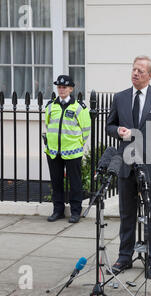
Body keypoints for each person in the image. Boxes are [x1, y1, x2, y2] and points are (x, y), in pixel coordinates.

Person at [106, 55, 151, 279]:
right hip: (126, 163)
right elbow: (109, 125)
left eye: (140, 71)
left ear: (150, 75)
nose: (135, 73)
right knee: (126, 212)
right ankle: (124, 256)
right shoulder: (120, 98)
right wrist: (118, 131)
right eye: (134, 69)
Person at [44, 75, 91, 224]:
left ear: (71, 89)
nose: (61, 90)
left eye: (64, 87)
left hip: (72, 151)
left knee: (75, 183)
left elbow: (86, 129)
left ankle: (75, 212)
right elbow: (48, 125)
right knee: (56, 182)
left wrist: (78, 144)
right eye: (59, 87)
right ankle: (58, 210)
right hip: (53, 151)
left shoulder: (79, 107)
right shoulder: (50, 106)